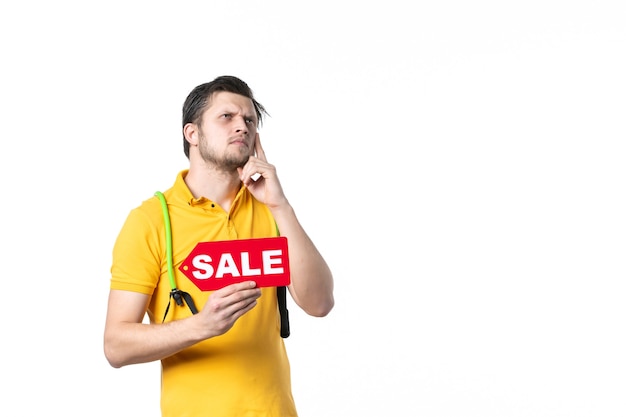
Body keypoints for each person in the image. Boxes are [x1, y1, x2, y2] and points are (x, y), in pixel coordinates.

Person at [103, 75, 335, 417]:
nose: (242, 126)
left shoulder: (271, 211)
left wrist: (281, 206)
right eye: (226, 117)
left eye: (249, 120)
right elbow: (116, 346)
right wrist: (202, 326)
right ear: (192, 134)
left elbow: (320, 303)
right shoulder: (151, 220)